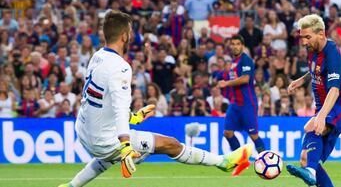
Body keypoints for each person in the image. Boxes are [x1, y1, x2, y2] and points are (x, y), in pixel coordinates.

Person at [59, 11, 251, 187]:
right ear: (124, 36)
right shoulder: (121, 67)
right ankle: (223, 162)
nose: (132, 35)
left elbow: (100, 99)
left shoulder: (97, 56)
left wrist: (133, 118)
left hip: (84, 130)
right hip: (105, 139)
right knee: (171, 144)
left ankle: (70, 186)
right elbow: (117, 107)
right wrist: (125, 145)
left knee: (108, 155)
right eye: (131, 31)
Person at [286, 14, 341, 187]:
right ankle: (310, 170)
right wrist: (302, 80)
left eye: (307, 37)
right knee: (305, 158)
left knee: (312, 128)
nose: (304, 42)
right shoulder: (313, 50)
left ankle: (310, 172)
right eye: (302, 37)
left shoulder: (332, 52)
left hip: (339, 106)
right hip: (324, 108)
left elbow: (335, 89)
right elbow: (316, 70)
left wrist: (321, 116)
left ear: (321, 34)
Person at [217, 35, 266, 154]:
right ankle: (240, 161)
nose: (235, 46)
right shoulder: (233, 62)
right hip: (235, 103)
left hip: (247, 103)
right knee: (228, 133)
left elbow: (245, 79)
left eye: (238, 44)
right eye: (233, 44)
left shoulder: (246, 60)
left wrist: (226, 83)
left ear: (242, 46)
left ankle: (267, 161)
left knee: (253, 135)